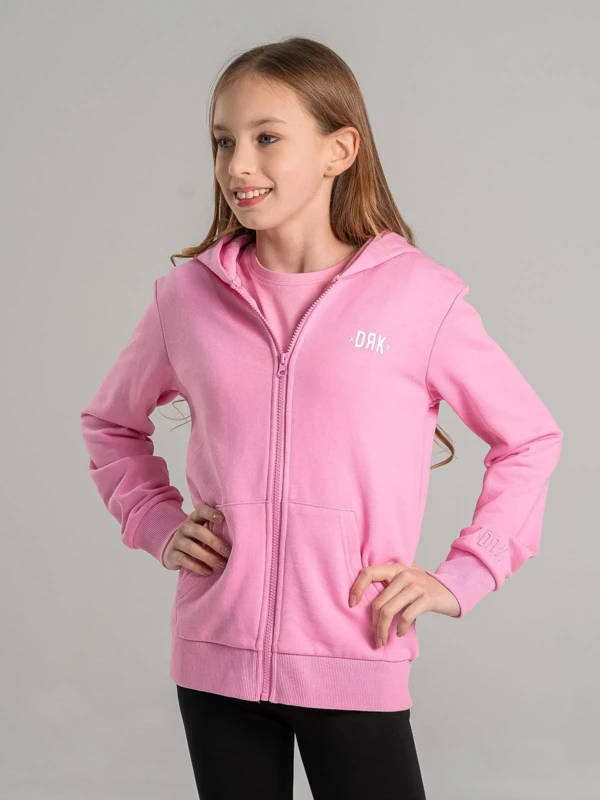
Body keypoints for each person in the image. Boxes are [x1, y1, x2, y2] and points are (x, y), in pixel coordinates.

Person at [80, 36, 563, 800]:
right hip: (214, 657)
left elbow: (529, 438)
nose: (238, 164)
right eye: (224, 141)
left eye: (267, 138)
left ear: (340, 150)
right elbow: (110, 425)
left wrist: (466, 573)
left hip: (354, 652)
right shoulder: (187, 301)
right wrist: (155, 520)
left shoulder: (418, 298)